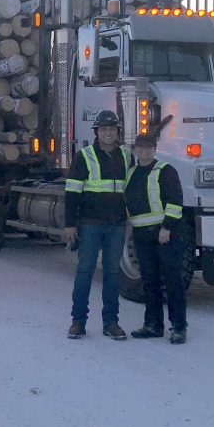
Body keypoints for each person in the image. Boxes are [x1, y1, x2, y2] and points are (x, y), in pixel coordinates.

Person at [64, 110, 133, 340]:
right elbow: (72, 193)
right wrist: (70, 224)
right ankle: (78, 321)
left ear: (117, 133)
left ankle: (111, 322)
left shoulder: (126, 156)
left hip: (116, 225)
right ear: (97, 132)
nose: (108, 133)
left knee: (112, 274)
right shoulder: (84, 156)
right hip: (90, 224)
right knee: (85, 272)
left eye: (112, 129)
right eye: (104, 129)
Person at [125, 131, 188, 344]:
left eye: (149, 147)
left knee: (172, 281)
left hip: (164, 235)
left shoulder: (165, 171)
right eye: (141, 148)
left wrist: (167, 227)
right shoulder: (131, 173)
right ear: (135, 150)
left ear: (154, 149)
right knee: (149, 282)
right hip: (142, 235)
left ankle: (178, 327)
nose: (145, 151)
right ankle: (152, 325)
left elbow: (175, 200)